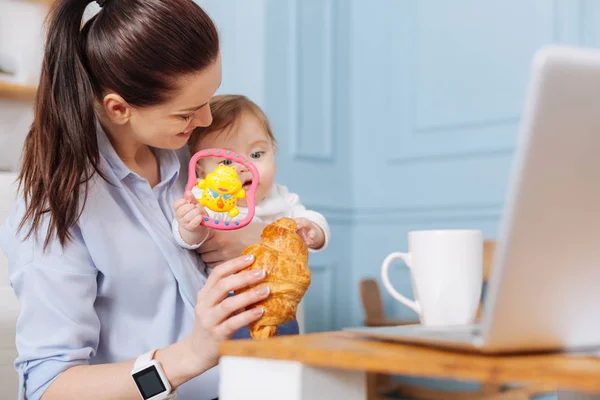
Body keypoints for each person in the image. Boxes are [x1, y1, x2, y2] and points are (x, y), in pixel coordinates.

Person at [0, 0, 280, 399]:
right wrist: (189, 357)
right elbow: (49, 388)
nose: (205, 122)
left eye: (209, 99)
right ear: (119, 109)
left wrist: (247, 241)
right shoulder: (58, 208)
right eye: (186, 114)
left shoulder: (195, 158)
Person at [172, 94, 331, 261]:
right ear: (202, 172)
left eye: (256, 154)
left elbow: (313, 218)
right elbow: (189, 240)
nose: (244, 167)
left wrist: (314, 231)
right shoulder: (209, 199)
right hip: (229, 285)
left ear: (273, 155)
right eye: (226, 162)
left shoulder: (281, 197)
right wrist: (191, 227)